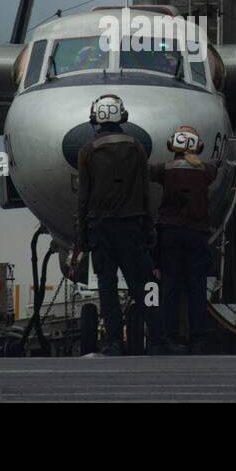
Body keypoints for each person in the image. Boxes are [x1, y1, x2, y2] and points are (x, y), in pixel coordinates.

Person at [74, 93, 170, 356]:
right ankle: (159, 340)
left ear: (95, 117)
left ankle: (114, 341)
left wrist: (81, 235)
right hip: (132, 226)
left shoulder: (87, 151)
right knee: (143, 285)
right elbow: (144, 192)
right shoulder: (137, 147)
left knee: (107, 286)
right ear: (123, 116)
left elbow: (84, 197)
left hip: (100, 228)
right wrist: (149, 227)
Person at [150, 125, 218, 354]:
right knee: (196, 289)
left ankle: (169, 338)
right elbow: (213, 169)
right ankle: (198, 340)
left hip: (170, 233)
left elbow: (146, 172)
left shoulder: (164, 169)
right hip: (197, 234)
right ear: (198, 146)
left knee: (170, 288)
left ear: (172, 145)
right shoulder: (207, 171)